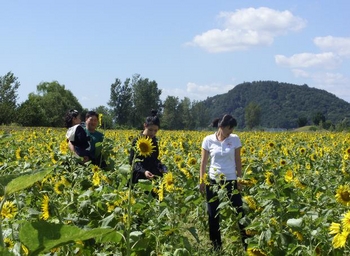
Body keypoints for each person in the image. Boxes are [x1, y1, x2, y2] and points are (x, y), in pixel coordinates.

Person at [199, 114, 248, 252]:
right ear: (221, 127)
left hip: (231, 180)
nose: (231, 131)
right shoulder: (208, 140)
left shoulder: (235, 139)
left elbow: (238, 160)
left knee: (239, 211)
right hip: (213, 180)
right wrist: (201, 180)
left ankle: (246, 245)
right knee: (213, 213)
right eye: (229, 128)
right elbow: (203, 162)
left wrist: (239, 178)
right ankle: (216, 247)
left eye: (232, 129)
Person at [129, 110, 167, 184]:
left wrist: (162, 167)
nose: (152, 133)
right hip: (139, 176)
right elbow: (132, 161)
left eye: (155, 131)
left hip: (152, 174)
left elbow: (154, 159)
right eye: (150, 130)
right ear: (145, 126)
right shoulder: (137, 141)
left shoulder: (154, 141)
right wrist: (144, 171)